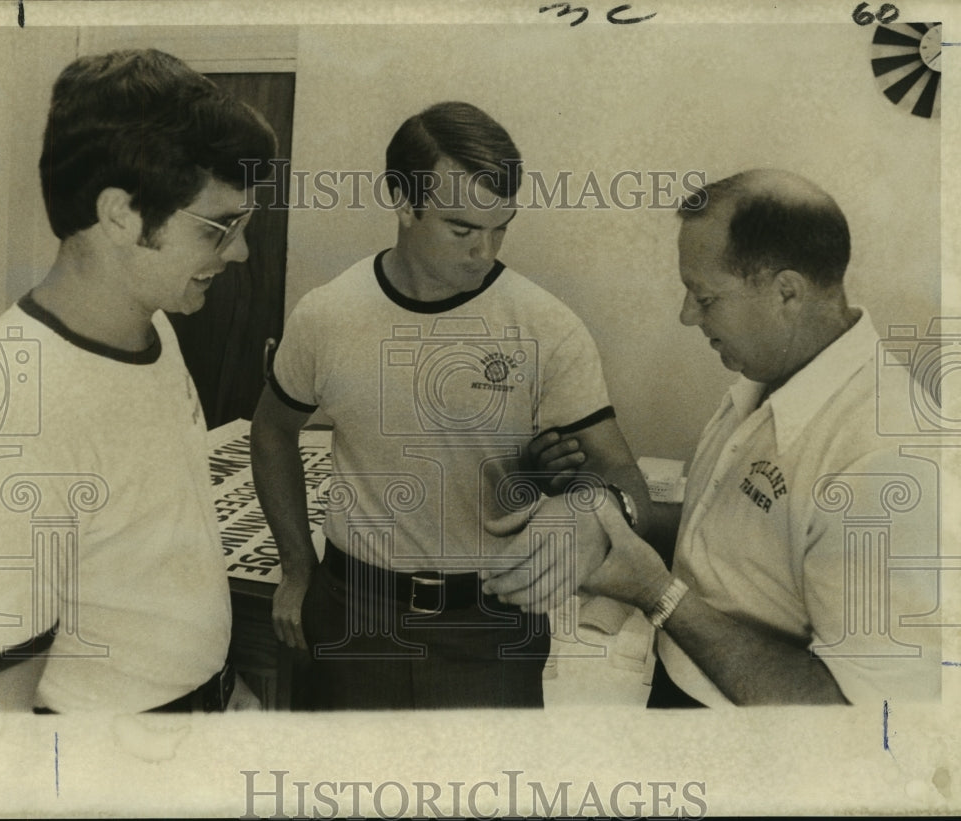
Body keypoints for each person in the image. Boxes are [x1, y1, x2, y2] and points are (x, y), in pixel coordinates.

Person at [483, 169, 941, 706]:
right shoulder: (766, 379)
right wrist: (609, 518)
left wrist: (657, 595)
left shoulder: (887, 463)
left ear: (786, 292)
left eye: (704, 298)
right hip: (681, 685)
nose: (685, 315)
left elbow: (863, 724)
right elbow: (729, 535)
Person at [250, 100, 653, 709]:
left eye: (501, 228)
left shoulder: (545, 325)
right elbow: (272, 433)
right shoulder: (327, 314)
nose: (484, 251)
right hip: (352, 614)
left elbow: (626, 476)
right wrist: (297, 566)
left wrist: (596, 516)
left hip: (490, 625)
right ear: (403, 202)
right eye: (463, 229)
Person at [0, 48, 276, 713]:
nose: (240, 251)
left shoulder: (154, 326)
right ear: (120, 215)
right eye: (220, 227)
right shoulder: (14, 407)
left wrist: (218, 689)